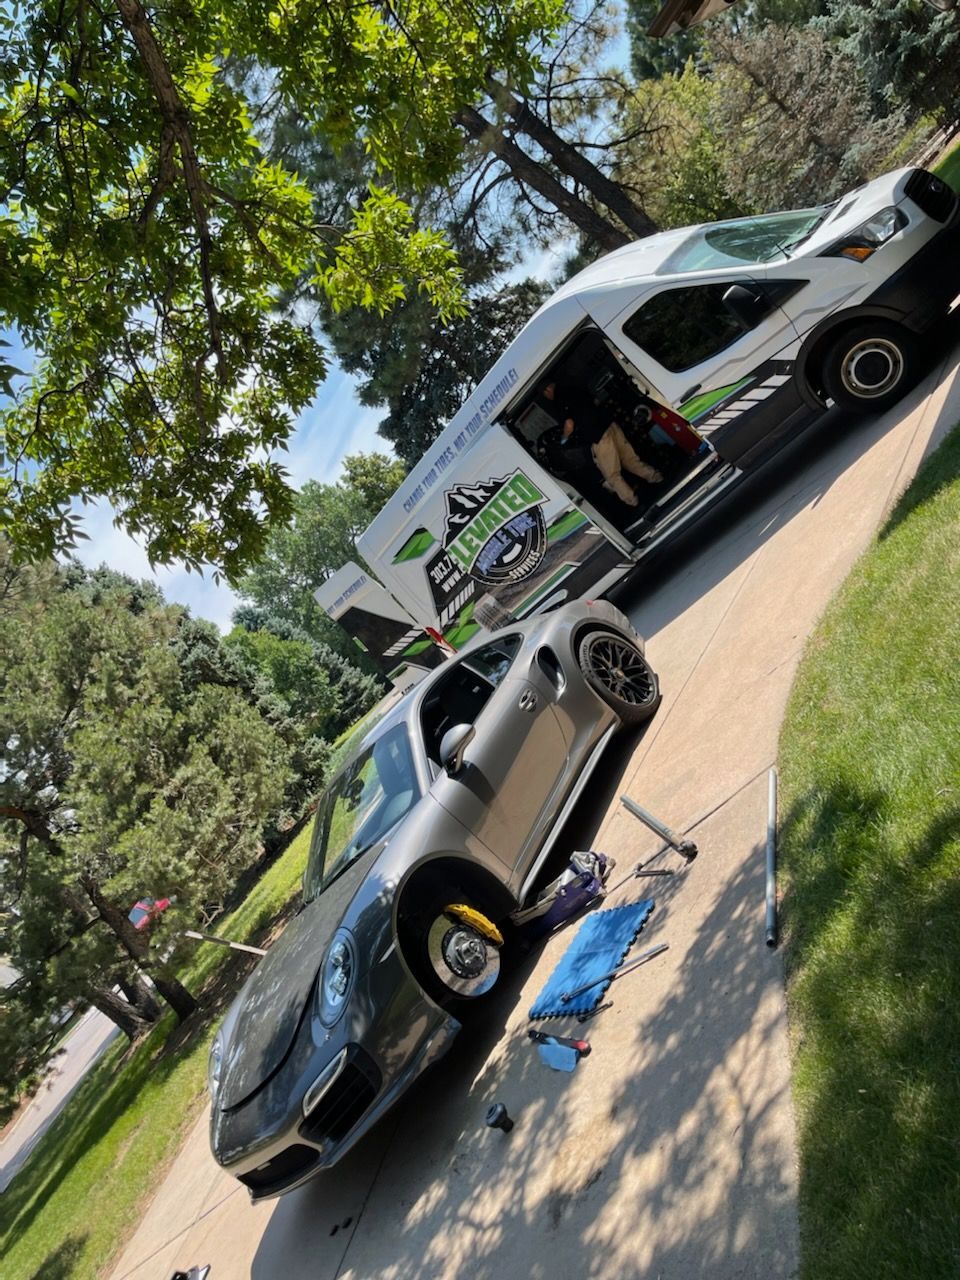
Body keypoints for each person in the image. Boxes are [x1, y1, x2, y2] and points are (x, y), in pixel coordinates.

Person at [537, 380, 662, 507]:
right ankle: (656, 477)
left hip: (598, 436)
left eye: (545, 396)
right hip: (610, 425)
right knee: (629, 459)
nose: (548, 398)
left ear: (547, 390)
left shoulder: (559, 400)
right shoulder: (573, 387)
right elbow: (595, 401)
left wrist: (564, 439)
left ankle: (633, 501)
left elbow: (569, 424)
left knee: (612, 475)